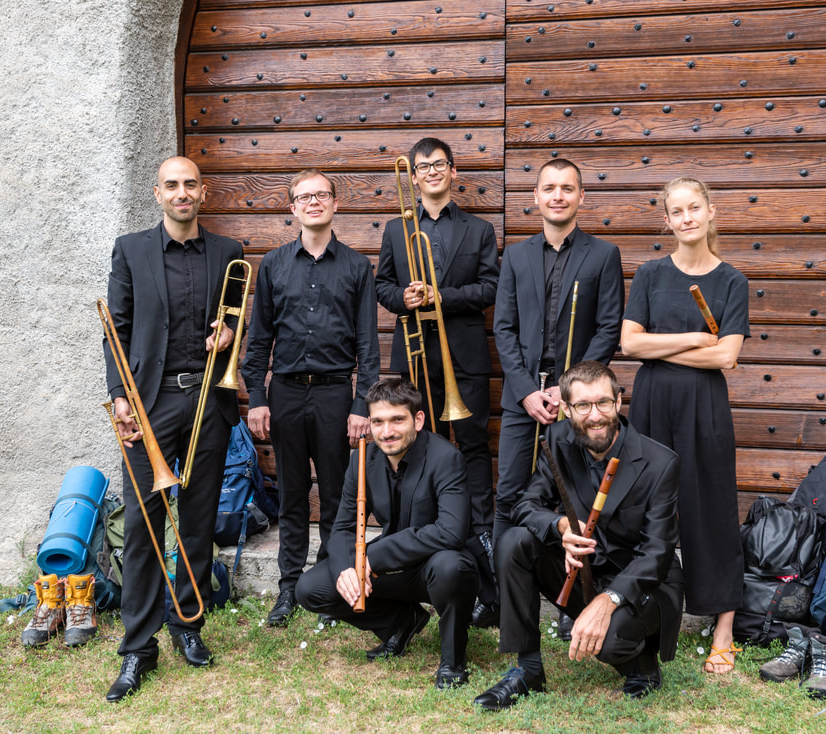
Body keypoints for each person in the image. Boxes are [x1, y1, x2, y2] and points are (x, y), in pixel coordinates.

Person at [102, 156, 244, 701]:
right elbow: (116, 328)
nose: (182, 193)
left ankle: (187, 623)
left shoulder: (228, 252)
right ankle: (138, 646)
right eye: (172, 185)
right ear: (157, 193)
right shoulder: (130, 249)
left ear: (203, 193)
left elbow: (236, 319)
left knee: (199, 518)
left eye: (190, 184)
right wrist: (120, 396)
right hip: (150, 402)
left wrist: (228, 335)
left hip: (208, 399)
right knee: (144, 523)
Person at [473, 361, 683, 710]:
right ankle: (528, 670)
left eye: (603, 402)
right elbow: (525, 506)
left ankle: (642, 665)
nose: (595, 416)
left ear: (619, 401)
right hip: (584, 568)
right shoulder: (558, 440)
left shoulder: (660, 462)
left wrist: (607, 601)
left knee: (610, 641)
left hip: (642, 583)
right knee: (513, 542)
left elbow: (657, 554)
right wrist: (561, 528)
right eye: (583, 405)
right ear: (567, 409)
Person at [486, 158, 624, 631]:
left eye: (567, 188)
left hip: (576, 400)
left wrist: (569, 392)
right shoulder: (516, 256)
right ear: (536, 197)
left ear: (582, 196)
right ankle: (504, 598)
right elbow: (504, 329)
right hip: (522, 397)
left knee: (573, 497)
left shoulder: (603, 255)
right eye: (549, 188)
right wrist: (527, 390)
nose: (558, 196)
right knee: (509, 493)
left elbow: (607, 329)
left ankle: (575, 601)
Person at [619, 176, 749, 675]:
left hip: (704, 405)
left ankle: (723, 629)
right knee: (641, 505)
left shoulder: (732, 281)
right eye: (677, 211)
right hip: (653, 400)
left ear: (711, 211)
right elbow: (630, 344)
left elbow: (728, 357)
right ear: (667, 220)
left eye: (694, 207)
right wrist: (696, 338)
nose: (687, 217)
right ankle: (633, 609)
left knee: (711, 507)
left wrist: (660, 346)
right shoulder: (650, 274)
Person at [241, 169, 380, 628]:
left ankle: (328, 584)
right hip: (284, 393)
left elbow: (368, 346)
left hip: (336, 393)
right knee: (292, 492)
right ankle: (288, 587)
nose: (314, 202)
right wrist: (257, 397)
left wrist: (361, 405)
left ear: (335, 204)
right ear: (293, 208)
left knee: (337, 494)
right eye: (304, 197)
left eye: (322, 195)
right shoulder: (273, 264)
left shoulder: (357, 267)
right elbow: (259, 340)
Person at [375, 137, 499, 622]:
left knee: (472, 447)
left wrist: (441, 296)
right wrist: (402, 299)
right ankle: (420, 545)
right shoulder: (396, 229)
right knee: (417, 449)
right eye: (423, 166)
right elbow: (383, 285)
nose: (431, 172)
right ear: (413, 176)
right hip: (413, 356)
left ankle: (483, 553)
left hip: (462, 356)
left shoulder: (479, 229)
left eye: (439, 164)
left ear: (453, 171)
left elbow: (489, 287)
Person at [295, 378, 478, 689]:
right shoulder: (362, 459)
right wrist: (346, 569)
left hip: (435, 567)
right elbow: (343, 528)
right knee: (310, 588)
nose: (386, 431)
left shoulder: (445, 458)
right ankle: (402, 621)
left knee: (451, 567)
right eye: (378, 422)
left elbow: (451, 531)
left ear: (417, 420)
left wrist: (372, 557)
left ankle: (453, 661)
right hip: (392, 569)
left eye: (397, 420)